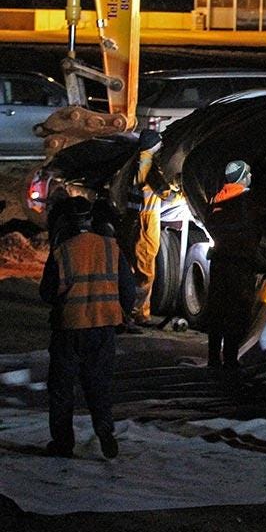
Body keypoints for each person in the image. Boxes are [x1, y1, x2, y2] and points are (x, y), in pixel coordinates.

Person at [39, 197, 135, 459]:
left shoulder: (62, 251)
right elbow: (128, 290)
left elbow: (47, 293)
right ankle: (104, 430)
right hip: (103, 328)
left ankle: (62, 443)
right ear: (92, 220)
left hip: (69, 329)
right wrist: (122, 314)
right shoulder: (111, 248)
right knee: (99, 385)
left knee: (61, 389)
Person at [205, 160, 257, 372]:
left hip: (219, 262)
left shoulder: (216, 198)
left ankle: (213, 359)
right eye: (249, 173)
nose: (251, 177)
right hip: (239, 264)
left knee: (217, 311)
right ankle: (231, 361)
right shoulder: (245, 199)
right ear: (242, 176)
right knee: (236, 313)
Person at [128, 129, 167, 325]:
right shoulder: (150, 169)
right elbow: (167, 193)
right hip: (146, 222)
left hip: (132, 220)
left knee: (132, 269)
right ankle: (138, 314)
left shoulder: (134, 162)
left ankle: (128, 310)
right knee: (145, 272)